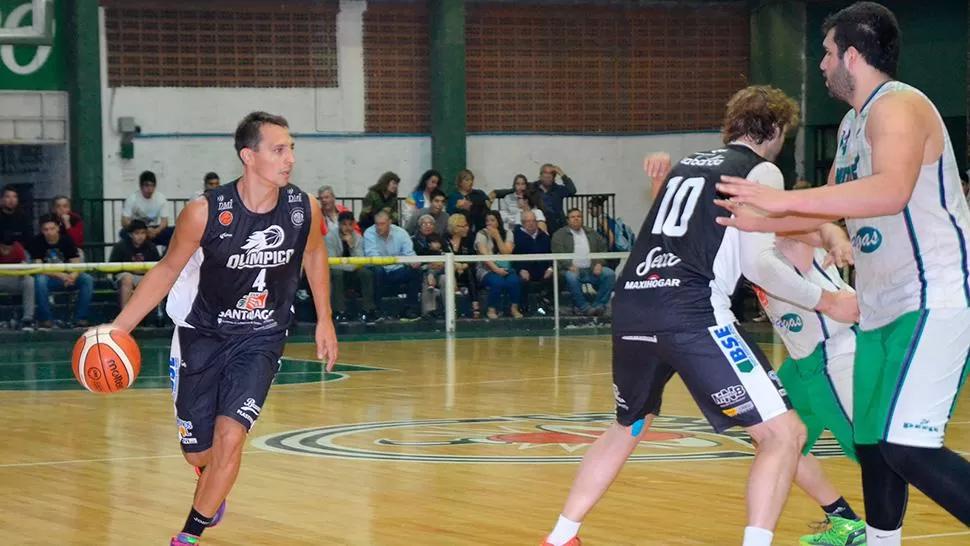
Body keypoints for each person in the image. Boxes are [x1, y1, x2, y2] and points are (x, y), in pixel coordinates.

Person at [540, 85, 859, 546]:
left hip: (633, 302)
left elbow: (669, 231)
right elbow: (757, 263)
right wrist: (827, 301)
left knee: (629, 423)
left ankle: (561, 536)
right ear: (775, 130)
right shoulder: (760, 170)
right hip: (690, 311)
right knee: (784, 434)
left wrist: (826, 230)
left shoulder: (689, 165)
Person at [715, 4, 970, 543]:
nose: (823, 63)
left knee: (908, 447)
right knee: (875, 448)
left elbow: (889, 190)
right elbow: (829, 212)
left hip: (932, 297)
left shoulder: (898, 106)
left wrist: (780, 200)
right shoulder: (855, 123)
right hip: (881, 307)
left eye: (827, 53)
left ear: (853, 55)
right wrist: (763, 215)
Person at [104, 111, 338, 546]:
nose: (290, 158)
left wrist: (325, 319)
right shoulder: (205, 213)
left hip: (262, 336)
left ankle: (188, 535)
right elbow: (166, 270)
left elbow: (315, 254)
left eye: (291, 148)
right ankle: (207, 475)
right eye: (279, 149)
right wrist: (120, 328)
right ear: (249, 156)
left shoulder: (301, 208)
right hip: (202, 333)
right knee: (199, 450)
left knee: (232, 436)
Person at [647, 153, 866, 546]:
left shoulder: (787, 225)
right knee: (776, 441)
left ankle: (909, 513)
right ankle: (845, 521)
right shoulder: (750, 230)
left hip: (834, 350)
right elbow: (684, 234)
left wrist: (835, 233)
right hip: (802, 365)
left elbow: (820, 224)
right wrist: (660, 189)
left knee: (879, 452)